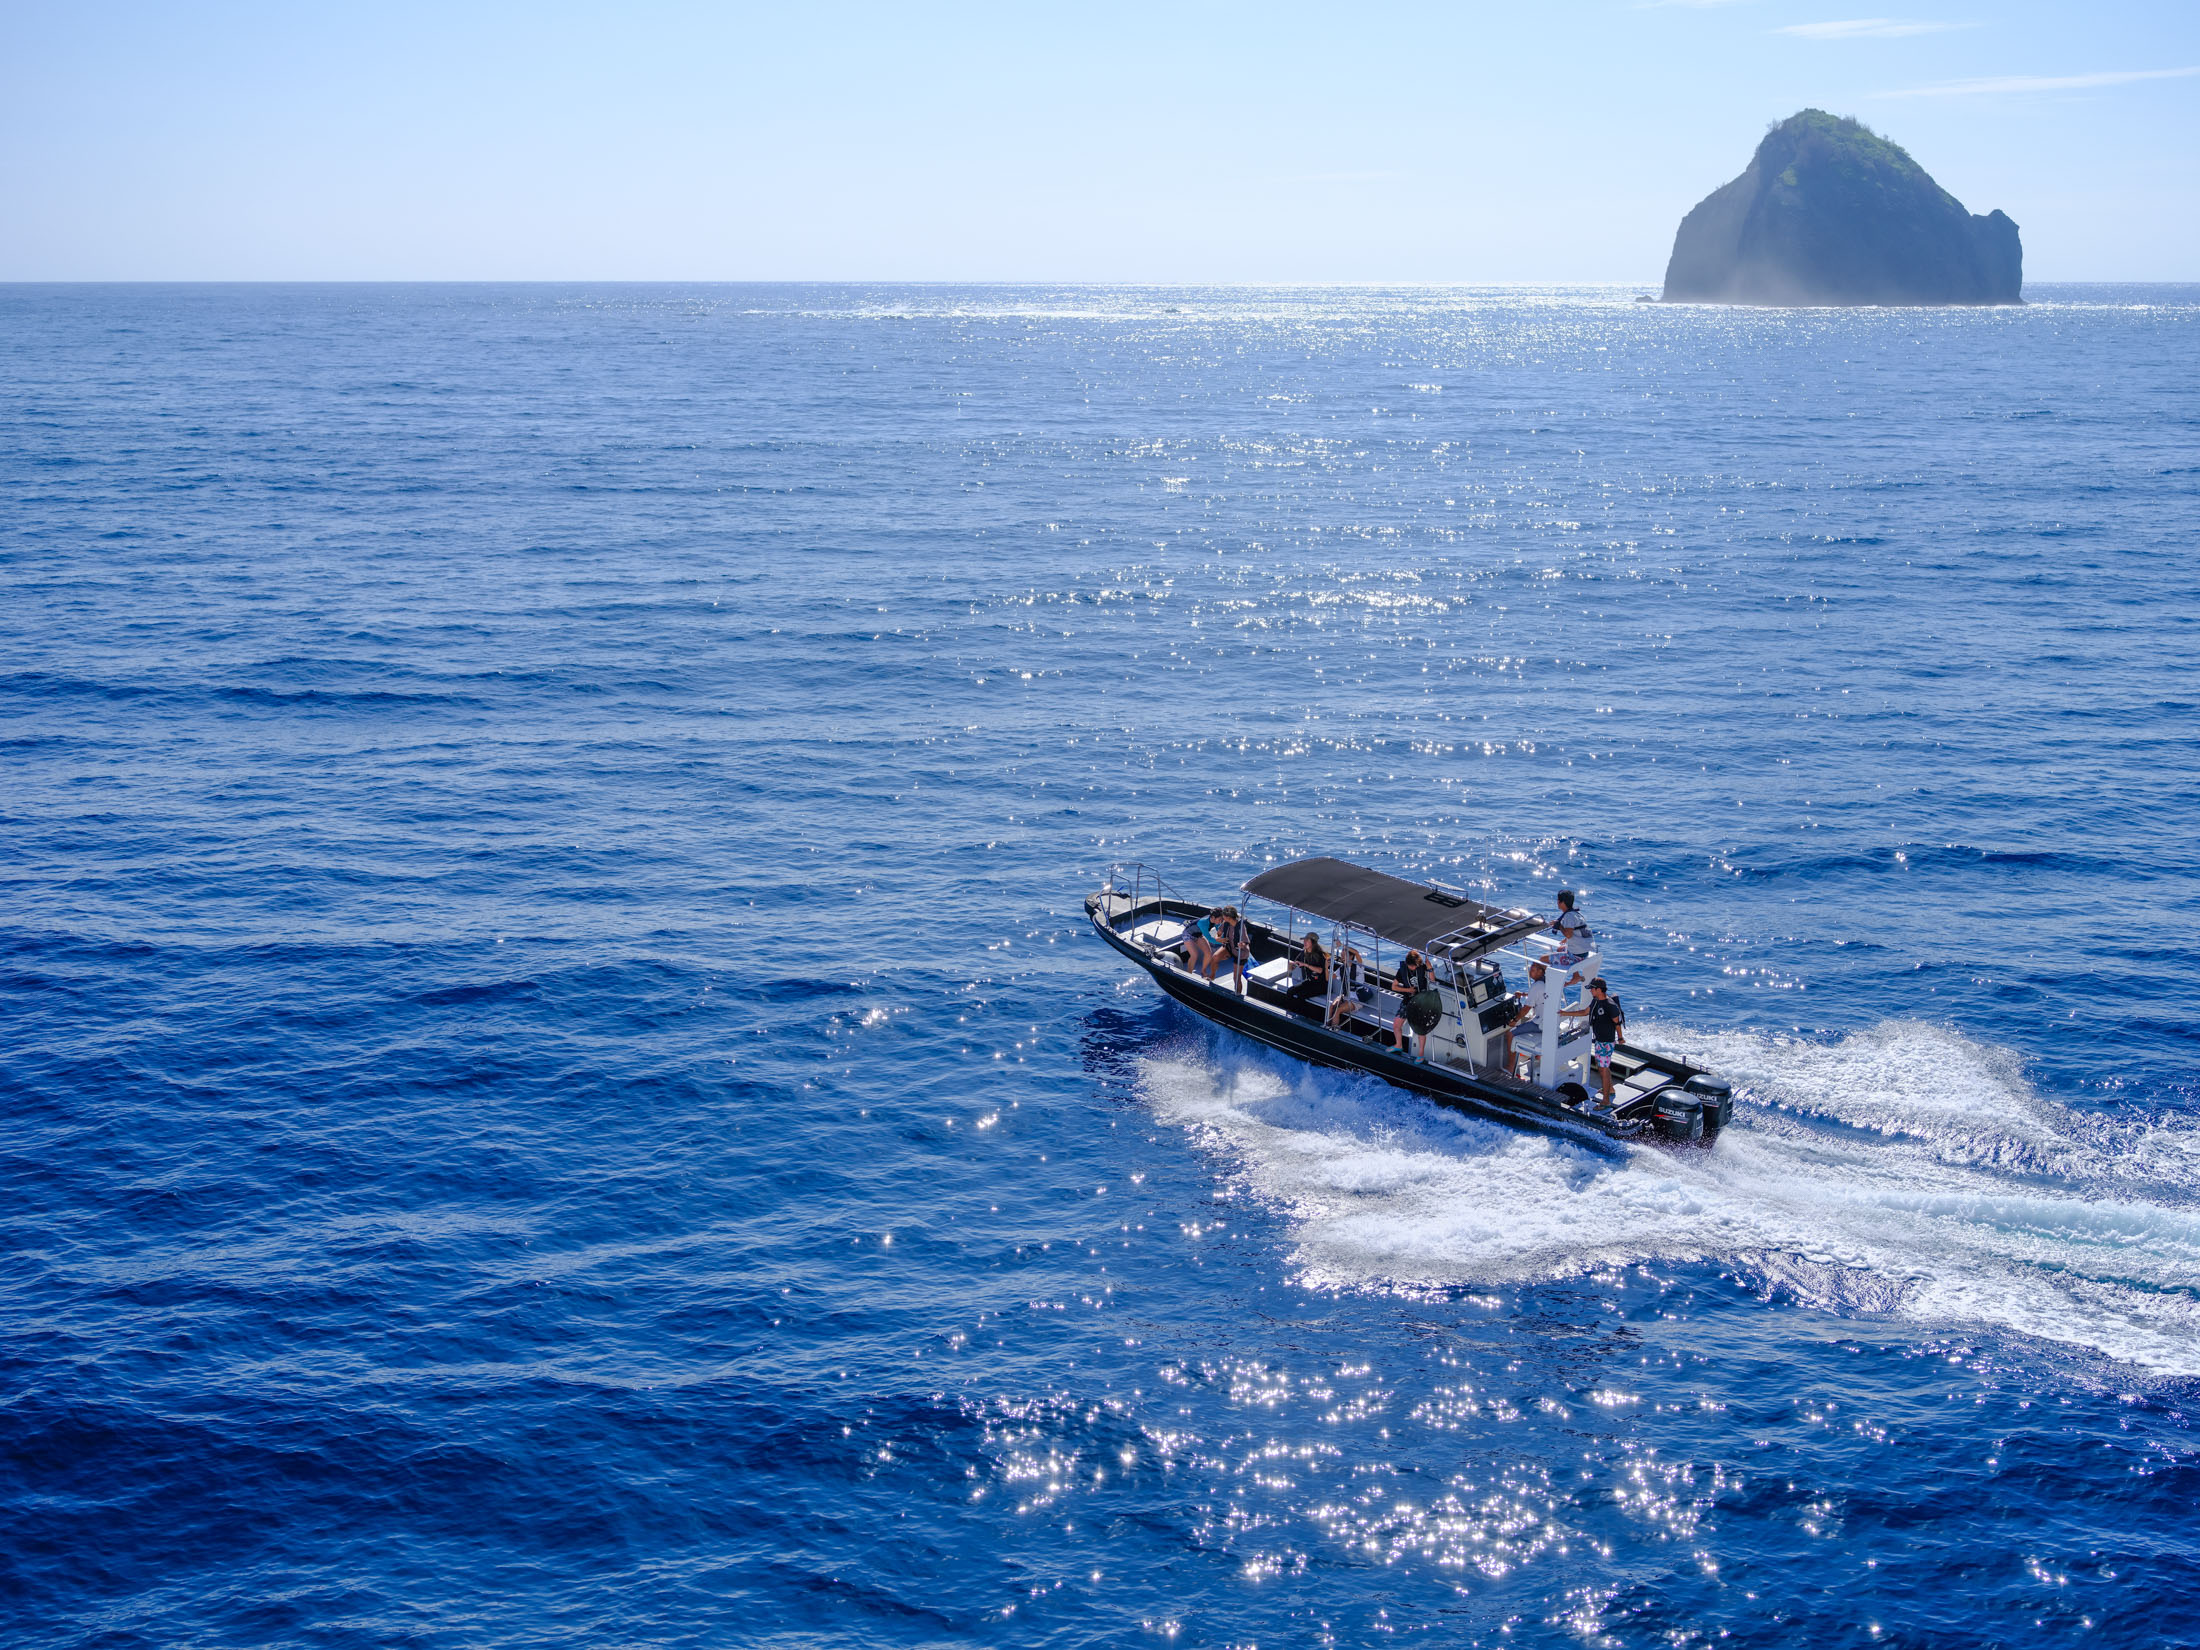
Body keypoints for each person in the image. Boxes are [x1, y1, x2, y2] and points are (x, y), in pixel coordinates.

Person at [1390, 948, 1439, 1059]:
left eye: (1415, 966)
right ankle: (1398, 1045)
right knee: (1396, 1025)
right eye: (1412, 966)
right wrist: (1408, 990)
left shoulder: (1422, 967)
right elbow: (1394, 986)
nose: (1414, 968)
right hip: (1408, 1001)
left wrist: (1429, 966)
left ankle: (1420, 1054)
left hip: (1422, 1002)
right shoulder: (1402, 970)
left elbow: (1432, 980)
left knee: (1420, 1030)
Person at [1585, 976, 1626, 1108]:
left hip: (1606, 1042)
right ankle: (1610, 1089)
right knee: (1602, 1066)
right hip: (1599, 1041)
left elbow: (1617, 1023)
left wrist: (1620, 1038)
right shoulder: (1596, 1001)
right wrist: (1564, 1013)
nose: (1590, 991)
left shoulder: (1610, 1006)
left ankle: (1606, 1100)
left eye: (1592, 989)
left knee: (1603, 1068)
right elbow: (1586, 1012)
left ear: (1598, 990)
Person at [1327, 944, 1367, 1030]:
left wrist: (1342, 945)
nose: (1342, 957)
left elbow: (1356, 952)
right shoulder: (1342, 968)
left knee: (1338, 1010)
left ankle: (1334, 1029)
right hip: (1345, 995)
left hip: (1356, 998)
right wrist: (1326, 966)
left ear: (1351, 956)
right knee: (1331, 1007)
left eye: (1344, 955)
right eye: (1342, 955)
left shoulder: (1359, 966)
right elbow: (1328, 978)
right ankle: (1327, 1025)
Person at [1547, 890, 1591, 967]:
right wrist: (1566, 940)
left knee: (1542, 959)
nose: (1557, 902)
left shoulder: (1568, 916)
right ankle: (1576, 975)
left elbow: (1568, 935)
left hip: (1576, 957)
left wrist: (1559, 925)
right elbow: (1577, 931)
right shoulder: (1576, 913)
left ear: (1562, 902)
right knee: (1560, 949)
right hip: (1584, 952)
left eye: (1558, 900)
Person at [1287, 932, 1327, 1004]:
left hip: (1321, 985)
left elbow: (1320, 970)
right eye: (1304, 940)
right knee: (1290, 991)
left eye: (1307, 941)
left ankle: (1301, 1013)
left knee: (1301, 995)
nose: (1304, 942)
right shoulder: (1303, 953)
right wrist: (1291, 965)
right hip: (1310, 981)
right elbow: (1295, 965)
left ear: (1313, 942)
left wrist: (1306, 965)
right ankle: (1290, 1011)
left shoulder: (1319, 955)